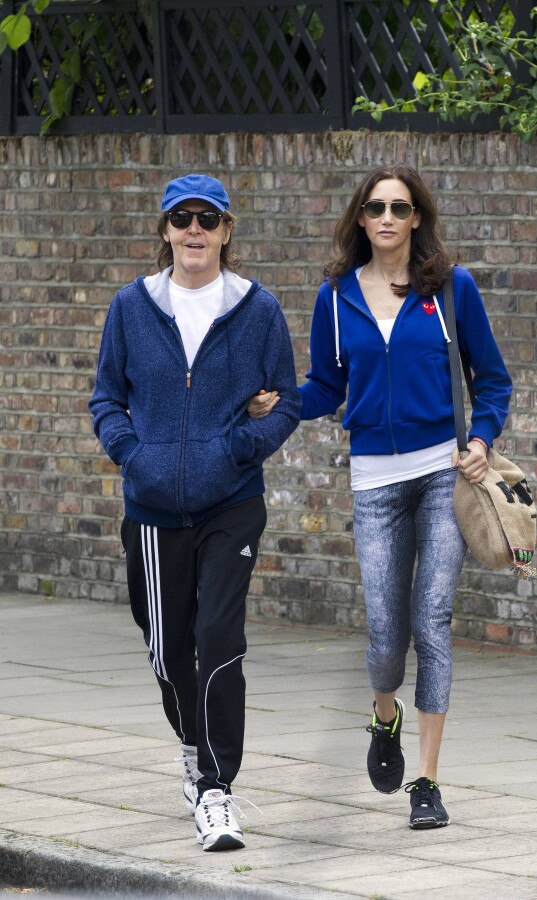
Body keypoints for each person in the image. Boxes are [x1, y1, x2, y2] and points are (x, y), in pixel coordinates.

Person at [249, 164, 512, 829]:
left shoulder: (452, 290)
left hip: (443, 474)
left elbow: (494, 380)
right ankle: (384, 715)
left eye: (400, 207)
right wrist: (280, 402)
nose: (388, 218)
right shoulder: (336, 298)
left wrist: (480, 439)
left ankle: (427, 781)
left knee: (432, 619)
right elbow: (326, 388)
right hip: (373, 480)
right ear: (360, 219)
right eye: (375, 208)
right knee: (386, 634)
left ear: (418, 217)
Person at [89, 174, 301, 851]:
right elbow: (105, 400)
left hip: (231, 502)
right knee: (167, 648)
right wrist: (135, 456)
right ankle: (191, 743)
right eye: (181, 219)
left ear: (227, 231)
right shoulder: (131, 307)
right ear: (165, 231)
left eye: (207, 219)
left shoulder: (256, 309)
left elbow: (288, 402)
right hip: (152, 508)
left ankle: (216, 789)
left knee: (218, 639)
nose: (194, 231)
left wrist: (242, 446)